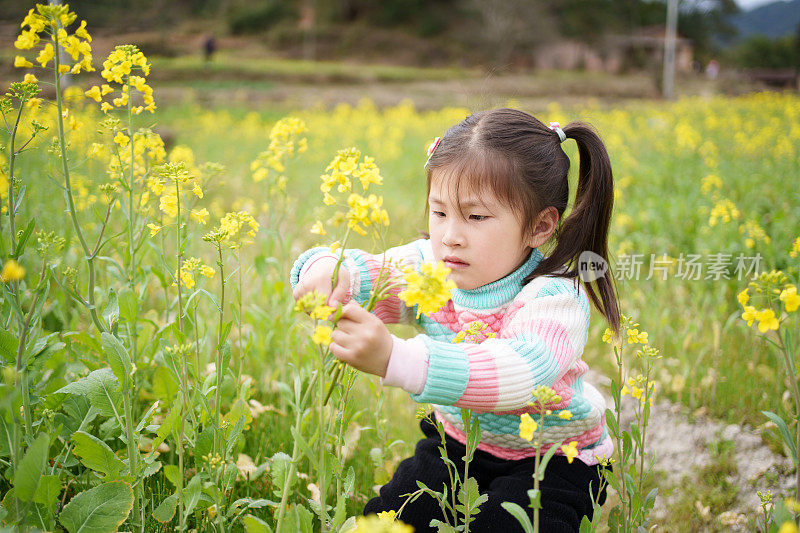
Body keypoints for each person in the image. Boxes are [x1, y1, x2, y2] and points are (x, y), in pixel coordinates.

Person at [290, 108, 620, 532]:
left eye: (476, 217)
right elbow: (373, 272)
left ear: (539, 227)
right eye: (440, 212)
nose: (450, 235)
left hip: (554, 459)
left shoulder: (554, 297)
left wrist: (396, 359)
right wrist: (327, 272)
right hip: (457, 443)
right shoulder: (433, 265)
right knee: (386, 521)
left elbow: (515, 373)